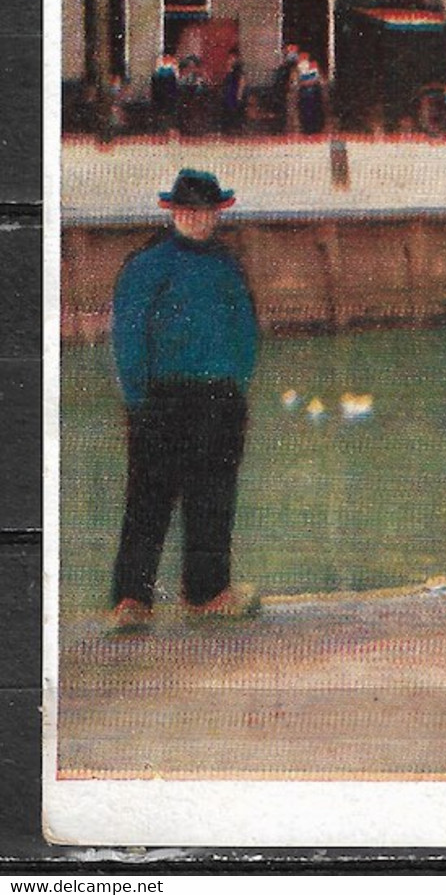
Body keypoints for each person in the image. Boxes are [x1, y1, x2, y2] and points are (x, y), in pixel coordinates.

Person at [108, 169, 260, 632]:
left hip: (219, 397)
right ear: (173, 213)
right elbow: (129, 336)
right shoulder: (147, 264)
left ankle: (207, 593)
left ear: (218, 214)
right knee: (149, 499)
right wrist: (138, 398)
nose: (196, 220)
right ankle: (132, 599)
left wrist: (236, 384)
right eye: (188, 212)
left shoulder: (227, 265)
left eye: (205, 212)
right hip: (161, 398)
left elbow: (246, 328)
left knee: (213, 499)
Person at [296, 53, 327, 135]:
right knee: (309, 109)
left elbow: (309, 80)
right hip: (309, 91)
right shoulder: (303, 67)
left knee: (310, 109)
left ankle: (310, 127)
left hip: (310, 91)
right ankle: (311, 127)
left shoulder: (309, 66)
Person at [273, 43, 300, 134]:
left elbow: (292, 77)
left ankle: (292, 127)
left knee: (292, 108)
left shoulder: (290, 66)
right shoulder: (286, 66)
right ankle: (290, 127)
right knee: (289, 108)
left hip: (290, 89)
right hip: (287, 89)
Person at [220, 47, 247, 135]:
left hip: (234, 92)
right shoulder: (230, 68)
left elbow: (241, 81)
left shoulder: (238, 69)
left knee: (235, 110)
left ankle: (236, 129)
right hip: (229, 91)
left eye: (232, 57)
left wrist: (239, 95)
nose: (230, 59)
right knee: (228, 109)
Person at [150, 52, 179, 133]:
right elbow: (155, 77)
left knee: (169, 108)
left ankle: (169, 126)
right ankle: (160, 126)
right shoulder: (159, 63)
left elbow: (176, 77)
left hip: (170, 90)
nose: (167, 57)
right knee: (160, 108)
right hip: (160, 90)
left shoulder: (173, 64)